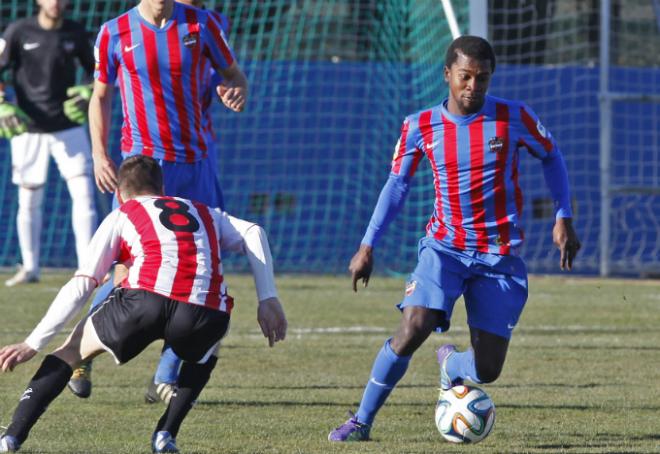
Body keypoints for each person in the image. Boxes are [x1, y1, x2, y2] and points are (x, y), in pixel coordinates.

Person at [328, 35, 581, 442]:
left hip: (498, 256)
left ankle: (453, 367)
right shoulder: (419, 125)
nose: (473, 86)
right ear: (448, 74)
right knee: (414, 325)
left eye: (482, 78)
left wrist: (563, 215)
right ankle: (360, 421)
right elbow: (396, 186)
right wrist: (366, 245)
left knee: (488, 370)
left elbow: (552, 155)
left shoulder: (514, 117)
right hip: (444, 248)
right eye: (465, 76)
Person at [0, 155, 287, 454]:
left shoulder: (123, 213)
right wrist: (267, 297)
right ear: (162, 188)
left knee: (72, 351)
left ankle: (12, 438)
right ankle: (166, 434)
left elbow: (83, 283)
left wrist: (32, 343)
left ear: (119, 193)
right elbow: (254, 232)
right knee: (207, 348)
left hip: (142, 304)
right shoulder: (204, 212)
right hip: (202, 312)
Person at [67, 0, 248, 398]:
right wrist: (99, 154)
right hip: (144, 165)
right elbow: (100, 96)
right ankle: (79, 356)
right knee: (122, 268)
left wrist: (236, 89)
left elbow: (234, 75)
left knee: (204, 265)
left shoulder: (204, 25)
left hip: (195, 164)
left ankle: (165, 375)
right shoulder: (114, 32)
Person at [0, 0, 97, 287]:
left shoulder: (76, 32)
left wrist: (87, 90)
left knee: (84, 195)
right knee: (29, 199)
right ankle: (30, 267)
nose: (55, 2)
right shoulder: (18, 31)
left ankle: (87, 268)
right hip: (28, 128)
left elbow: (99, 74)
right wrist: (1, 104)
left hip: (69, 126)